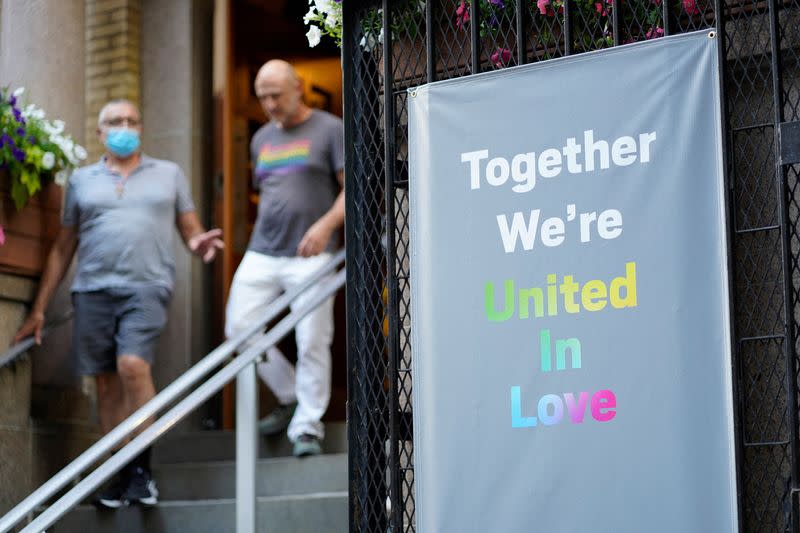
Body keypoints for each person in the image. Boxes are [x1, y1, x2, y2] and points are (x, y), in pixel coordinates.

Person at [13, 99, 223, 508]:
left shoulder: (169, 174)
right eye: (115, 122)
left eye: (131, 121)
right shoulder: (82, 181)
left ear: (141, 128)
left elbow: (191, 230)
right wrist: (39, 308)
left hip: (147, 287)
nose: (124, 127)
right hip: (92, 290)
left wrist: (199, 244)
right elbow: (62, 247)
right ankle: (118, 471)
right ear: (99, 132)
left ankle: (141, 468)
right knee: (106, 383)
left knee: (132, 366)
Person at [224, 60, 344, 458]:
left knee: (312, 339)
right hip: (264, 249)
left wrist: (326, 225)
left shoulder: (330, 129)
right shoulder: (260, 139)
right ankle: (289, 393)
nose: (270, 104)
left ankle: (307, 426)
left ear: (298, 88)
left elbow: (353, 188)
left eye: (276, 94)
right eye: (262, 97)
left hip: (313, 253)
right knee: (239, 328)